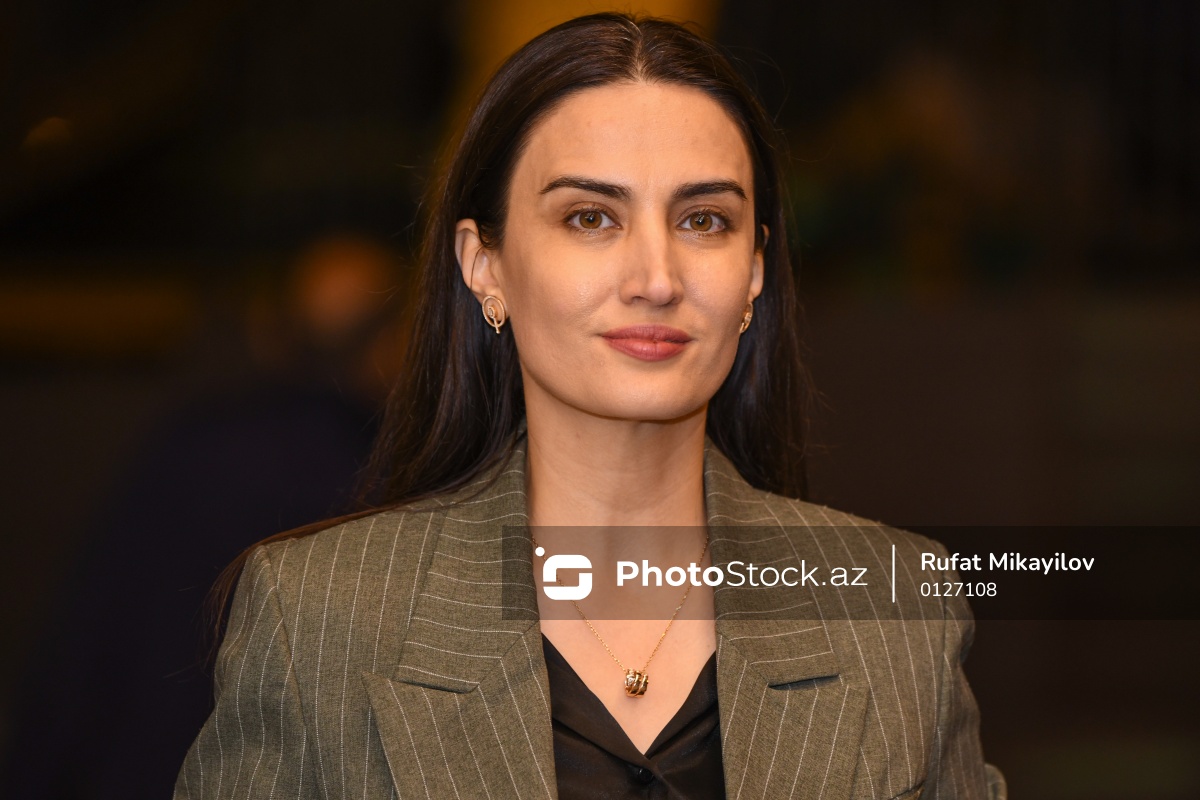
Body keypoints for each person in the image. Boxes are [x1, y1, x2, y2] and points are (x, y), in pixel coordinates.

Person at [175, 13, 1004, 799]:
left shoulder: (896, 610)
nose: (656, 277)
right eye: (590, 217)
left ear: (754, 273)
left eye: (704, 220)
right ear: (484, 265)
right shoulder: (320, 616)